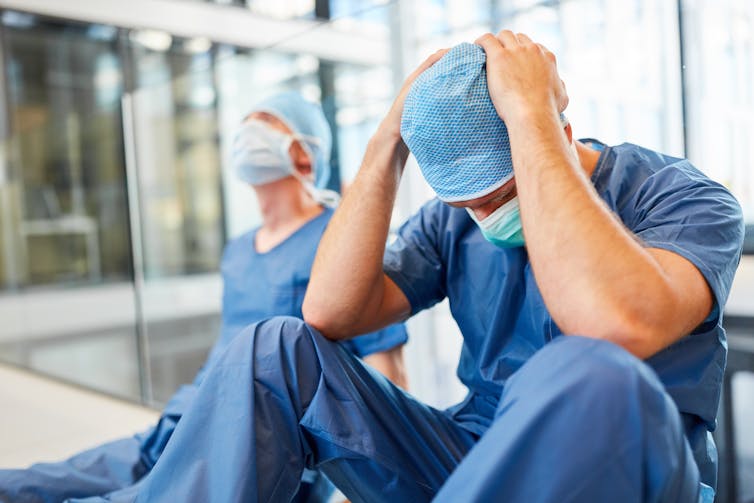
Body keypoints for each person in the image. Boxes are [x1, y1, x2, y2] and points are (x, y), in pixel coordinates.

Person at [73, 31, 744, 503]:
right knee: (275, 347)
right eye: (469, 204)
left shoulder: (681, 197)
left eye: (502, 196)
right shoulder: (457, 222)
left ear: (560, 134)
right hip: (472, 456)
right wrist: (387, 140)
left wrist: (533, 122)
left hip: (632, 467)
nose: (487, 219)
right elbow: (329, 312)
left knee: (589, 369)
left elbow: (613, 326)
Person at [0, 92, 408, 503]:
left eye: (267, 122)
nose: (249, 133)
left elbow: (385, 374)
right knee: (33, 483)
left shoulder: (339, 244)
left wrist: (356, 490)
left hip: (257, 442)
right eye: (248, 122)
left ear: (306, 154)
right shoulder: (238, 250)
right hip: (188, 417)